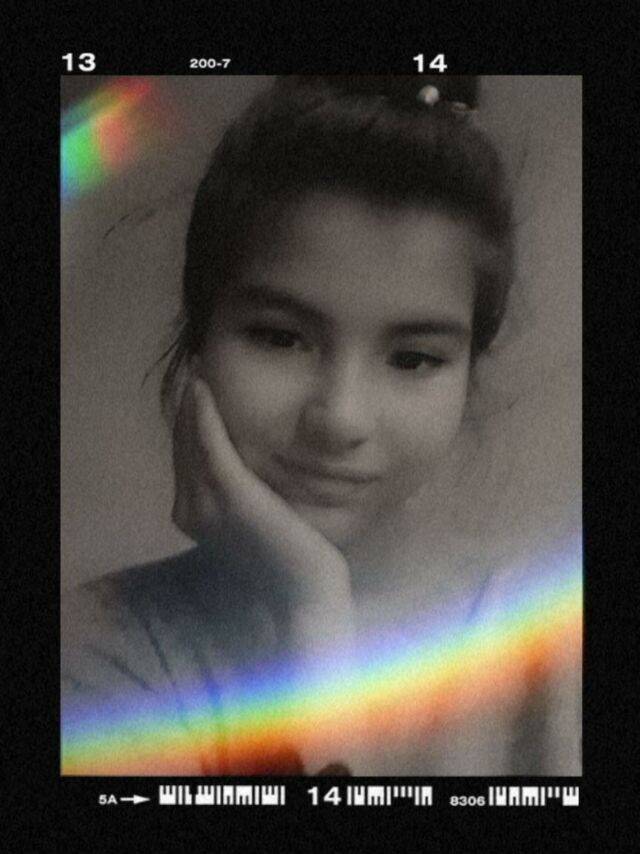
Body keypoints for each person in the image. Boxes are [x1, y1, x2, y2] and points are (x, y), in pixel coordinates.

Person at [61, 75, 581, 776]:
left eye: (413, 359)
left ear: (468, 372)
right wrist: (312, 607)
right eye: (280, 338)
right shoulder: (91, 647)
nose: (340, 418)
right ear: (199, 342)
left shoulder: (556, 647)